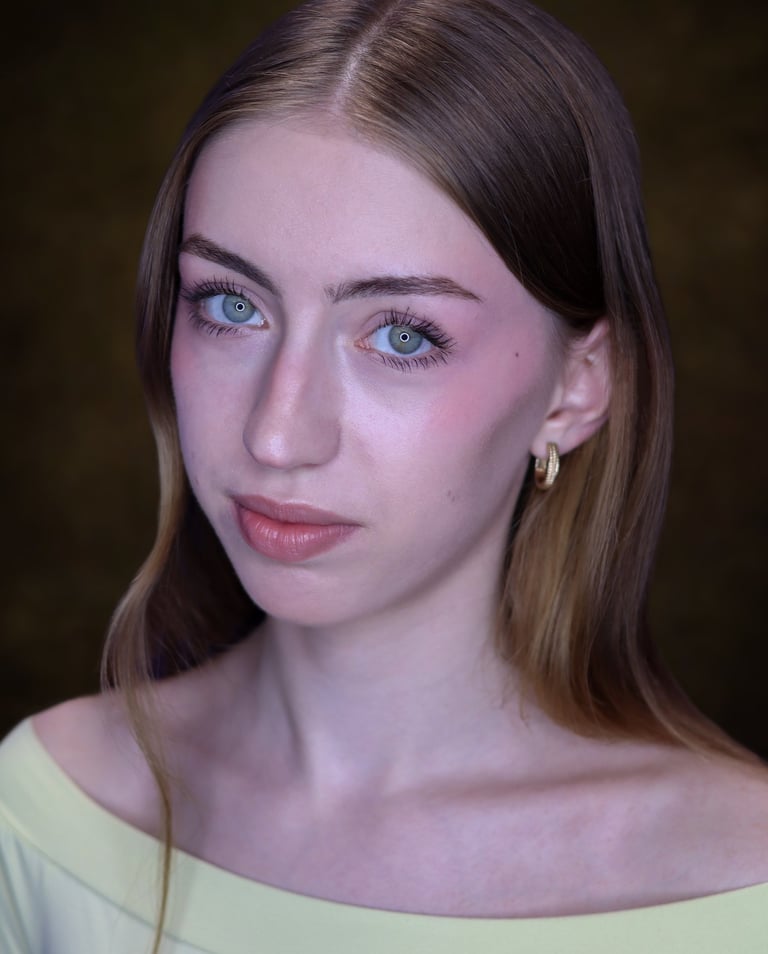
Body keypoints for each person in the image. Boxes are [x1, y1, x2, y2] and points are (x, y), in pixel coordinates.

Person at [1, 0, 766, 951]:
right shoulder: (45, 812)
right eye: (231, 305)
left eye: (402, 336)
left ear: (575, 388)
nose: (278, 434)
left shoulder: (740, 887)